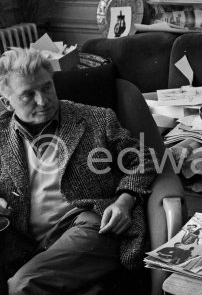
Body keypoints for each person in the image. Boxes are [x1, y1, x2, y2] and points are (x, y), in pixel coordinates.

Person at [0, 48, 157, 295]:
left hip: (91, 222)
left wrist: (125, 201)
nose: (43, 101)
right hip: (21, 238)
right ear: (7, 103)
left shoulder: (96, 119)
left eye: (47, 87)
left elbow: (143, 159)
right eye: (28, 95)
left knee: (23, 285)